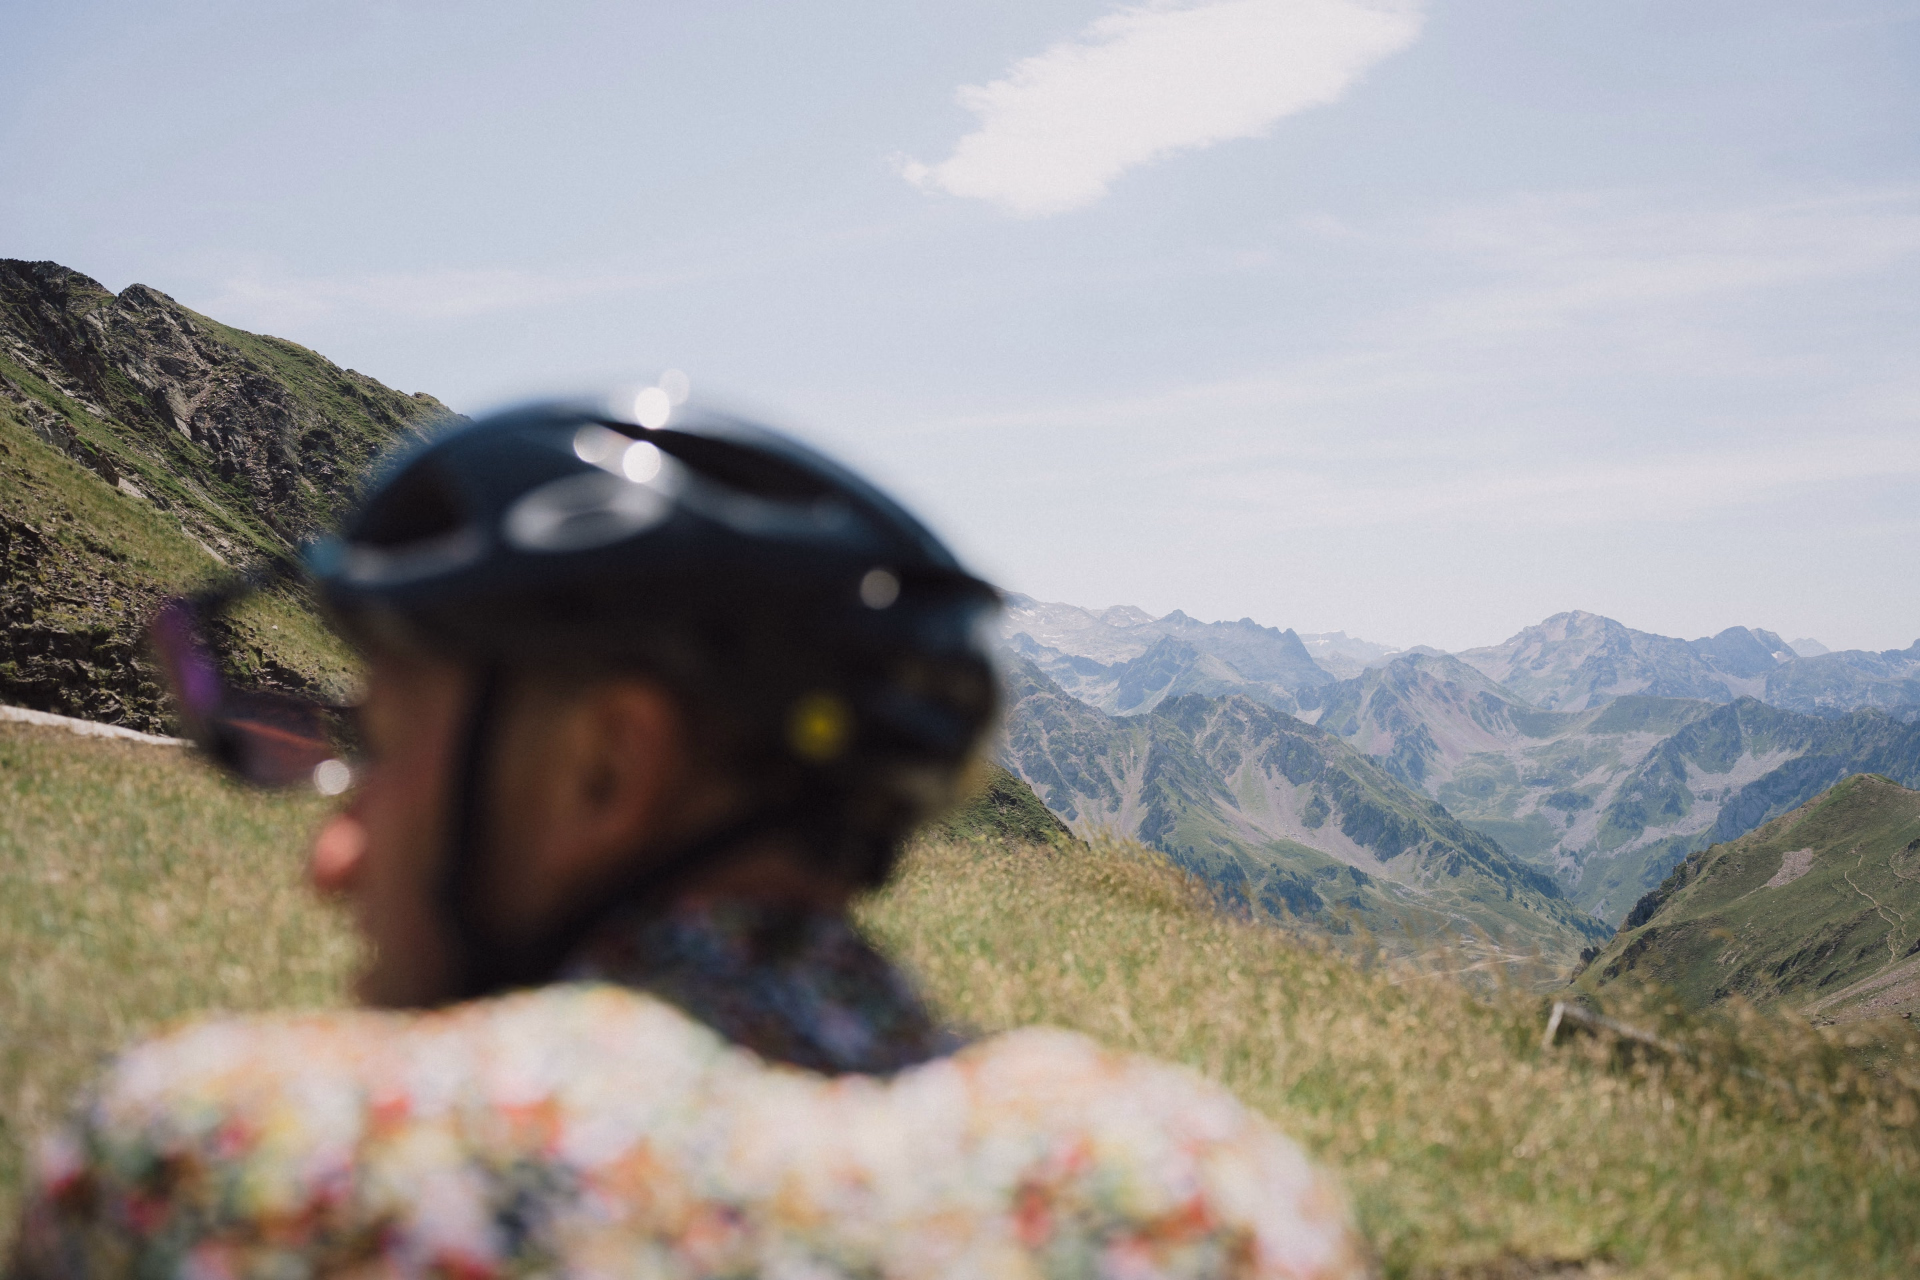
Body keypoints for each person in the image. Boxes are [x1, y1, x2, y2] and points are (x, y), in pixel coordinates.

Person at [10, 398, 1365, 1279]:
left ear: (608, 764)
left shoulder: (226, 1166)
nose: (335, 855)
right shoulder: (1208, 1202)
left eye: (383, 747)